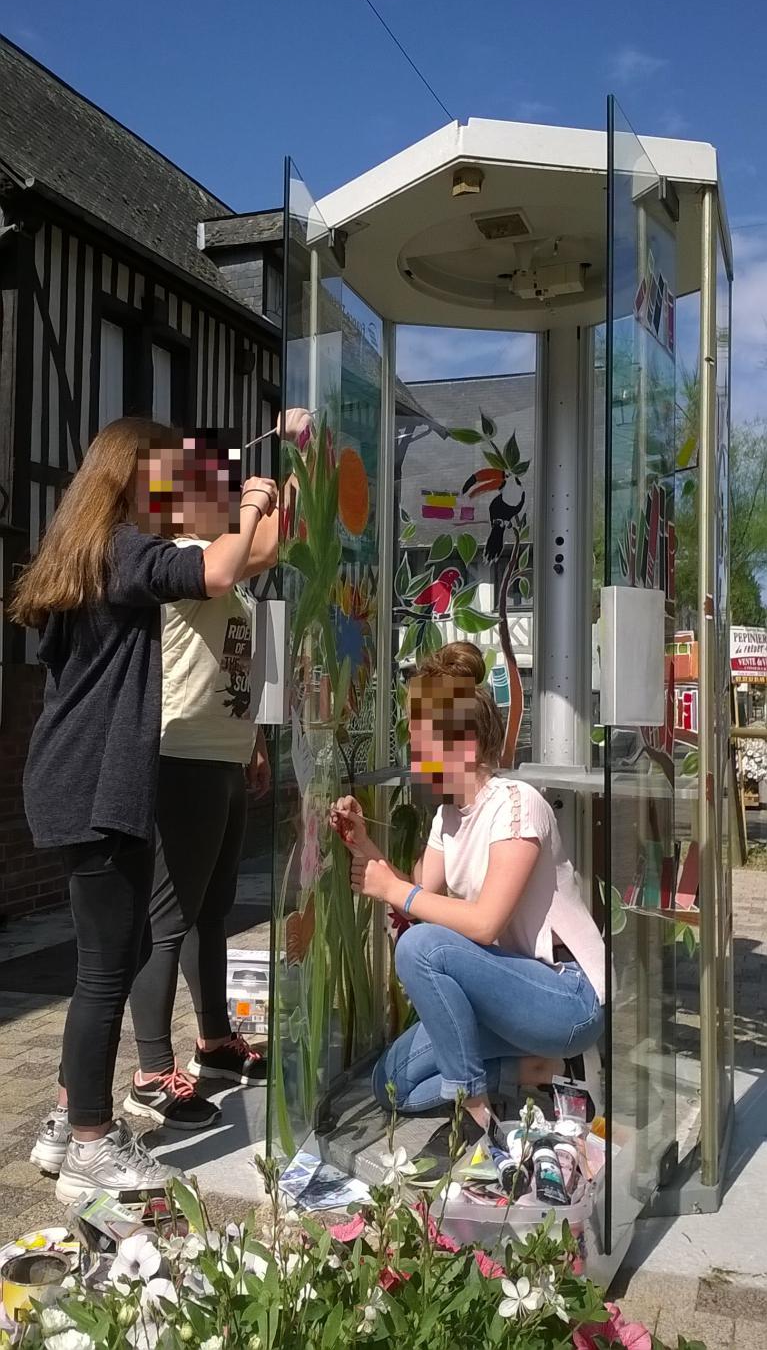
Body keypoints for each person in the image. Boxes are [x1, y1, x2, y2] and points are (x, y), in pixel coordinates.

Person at [12, 418, 277, 1202]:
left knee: (106, 962)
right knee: (104, 972)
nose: (176, 488)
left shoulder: (86, 555)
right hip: (100, 783)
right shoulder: (124, 550)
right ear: (132, 477)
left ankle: (67, 1118)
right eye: (163, 473)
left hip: (75, 777)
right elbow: (223, 566)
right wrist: (255, 499)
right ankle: (94, 1141)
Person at [331, 641, 605, 1169]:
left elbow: (483, 923)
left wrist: (397, 891)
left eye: (422, 747)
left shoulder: (517, 805)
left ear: (466, 743)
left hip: (565, 995)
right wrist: (364, 846)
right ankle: (525, 1073)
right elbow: (419, 901)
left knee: (421, 947)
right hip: (507, 998)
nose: (415, 762)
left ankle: (475, 1106)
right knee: (391, 1084)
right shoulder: (447, 819)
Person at [122, 413, 310, 1131]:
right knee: (166, 920)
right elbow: (269, 541)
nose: (229, 494)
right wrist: (294, 455)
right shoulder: (183, 555)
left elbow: (235, 659)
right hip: (181, 759)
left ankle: (214, 1042)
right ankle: (148, 1068)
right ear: (176, 497)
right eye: (215, 487)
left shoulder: (219, 559)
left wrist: (255, 740)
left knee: (212, 912)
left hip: (223, 754)